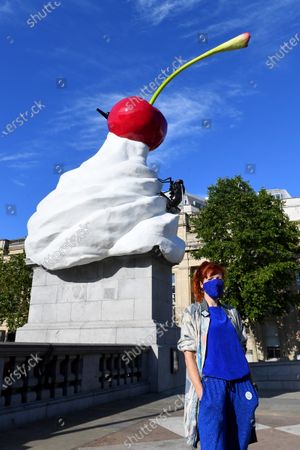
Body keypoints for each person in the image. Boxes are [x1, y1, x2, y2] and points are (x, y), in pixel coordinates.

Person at [177, 261, 259, 449]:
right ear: (201, 283)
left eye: (219, 278)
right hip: (212, 384)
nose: (217, 282)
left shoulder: (232, 313)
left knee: (239, 442)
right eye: (211, 278)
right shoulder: (193, 312)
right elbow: (188, 354)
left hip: (241, 383)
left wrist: (251, 385)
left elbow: (240, 347)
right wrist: (201, 392)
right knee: (213, 443)